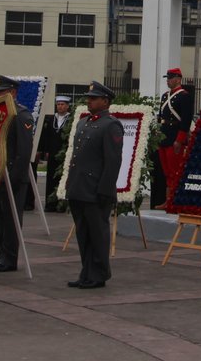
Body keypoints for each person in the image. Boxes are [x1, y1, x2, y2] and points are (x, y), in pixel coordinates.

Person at [65, 81, 123, 289]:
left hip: (95, 189)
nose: (89, 101)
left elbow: (113, 161)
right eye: (89, 98)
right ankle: (86, 272)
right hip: (79, 188)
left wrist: (105, 190)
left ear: (105, 101)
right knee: (84, 234)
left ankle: (99, 274)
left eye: (93, 98)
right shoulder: (84, 123)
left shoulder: (111, 125)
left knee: (97, 234)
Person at [0, 76, 35, 273]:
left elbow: (23, 152)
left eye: (1, 92)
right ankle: (1, 254)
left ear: (12, 93)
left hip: (13, 178)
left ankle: (10, 258)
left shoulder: (21, 116)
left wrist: (12, 179)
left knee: (11, 219)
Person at [153, 68, 192, 208]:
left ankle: (177, 200)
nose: (168, 80)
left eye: (170, 78)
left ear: (178, 79)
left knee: (175, 170)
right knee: (166, 171)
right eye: (167, 78)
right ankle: (169, 200)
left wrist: (179, 140)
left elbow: (186, 120)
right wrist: (157, 135)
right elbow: (160, 117)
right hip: (164, 136)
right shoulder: (165, 96)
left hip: (174, 137)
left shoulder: (184, 96)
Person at [38, 94, 73, 211]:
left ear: (67, 106)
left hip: (63, 153)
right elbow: (46, 136)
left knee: (61, 178)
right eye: (58, 104)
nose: (60, 107)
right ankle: (50, 204)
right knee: (50, 178)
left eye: (62, 104)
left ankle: (61, 204)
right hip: (52, 152)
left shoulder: (70, 119)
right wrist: (46, 151)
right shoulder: (52, 119)